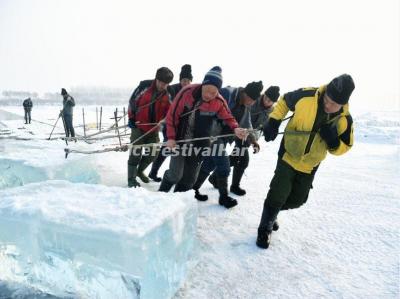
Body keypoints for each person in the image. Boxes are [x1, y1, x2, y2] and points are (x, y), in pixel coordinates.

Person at [256, 74, 355, 249]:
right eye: (327, 99)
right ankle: (265, 228)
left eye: (334, 104)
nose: (328, 105)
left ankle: (274, 211)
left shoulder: (344, 120)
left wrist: (333, 142)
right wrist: (273, 121)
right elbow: (285, 101)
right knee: (278, 193)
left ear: (343, 103)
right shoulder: (307, 95)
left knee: (297, 200)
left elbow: (346, 146)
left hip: (310, 165)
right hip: (288, 154)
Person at [159, 66, 248, 209]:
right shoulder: (187, 92)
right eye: (207, 90)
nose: (209, 95)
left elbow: (228, 117)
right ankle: (160, 198)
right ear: (202, 84)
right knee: (175, 174)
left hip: (198, 144)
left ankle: (175, 205)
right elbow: (172, 116)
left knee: (189, 180)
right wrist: (170, 137)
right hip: (179, 141)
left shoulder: (219, 101)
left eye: (214, 92)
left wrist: (236, 128)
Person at [192, 81, 264, 208]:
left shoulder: (245, 105)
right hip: (212, 135)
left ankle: (193, 190)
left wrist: (253, 140)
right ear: (246, 94)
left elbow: (246, 124)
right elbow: (209, 110)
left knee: (209, 164)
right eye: (252, 100)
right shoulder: (228, 94)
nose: (252, 104)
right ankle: (223, 197)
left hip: (224, 138)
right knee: (224, 165)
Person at [127, 67, 174, 188]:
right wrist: (131, 119)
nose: (164, 86)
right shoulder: (144, 86)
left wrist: (163, 123)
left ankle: (139, 170)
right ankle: (131, 179)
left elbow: (170, 113)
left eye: (166, 84)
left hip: (154, 129)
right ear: (157, 79)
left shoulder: (169, 93)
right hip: (138, 126)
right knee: (135, 153)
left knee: (153, 153)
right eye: (162, 83)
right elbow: (132, 102)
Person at [149, 64, 193, 182]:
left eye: (188, 81)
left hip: (182, 125)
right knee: (168, 147)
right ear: (180, 80)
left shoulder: (191, 90)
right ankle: (155, 172)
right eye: (184, 80)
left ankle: (175, 174)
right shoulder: (172, 89)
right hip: (168, 122)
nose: (186, 83)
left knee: (174, 149)